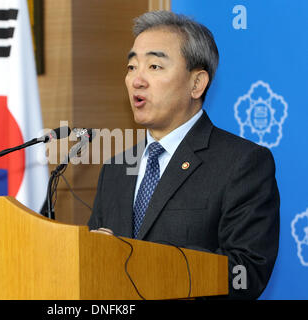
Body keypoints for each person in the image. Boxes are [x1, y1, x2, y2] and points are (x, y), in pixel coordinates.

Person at [87, 10, 280, 300]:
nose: (136, 80)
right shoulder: (116, 168)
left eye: (154, 66)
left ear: (196, 83)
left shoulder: (243, 163)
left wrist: (137, 260)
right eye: (131, 67)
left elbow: (245, 275)